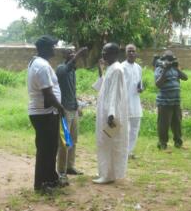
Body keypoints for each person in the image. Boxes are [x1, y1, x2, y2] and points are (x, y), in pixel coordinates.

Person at [27, 35, 65, 193]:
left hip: (45, 112)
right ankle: (41, 185)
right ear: (43, 49)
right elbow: (48, 94)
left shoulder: (37, 62)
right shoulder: (42, 66)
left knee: (51, 147)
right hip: (44, 113)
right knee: (45, 149)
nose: (54, 49)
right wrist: (60, 107)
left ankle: (51, 179)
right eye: (51, 46)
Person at [92, 43, 129, 184]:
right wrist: (100, 70)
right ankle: (105, 171)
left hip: (110, 114)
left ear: (114, 54)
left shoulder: (117, 70)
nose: (102, 54)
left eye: (105, 52)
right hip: (105, 112)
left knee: (109, 143)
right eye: (102, 51)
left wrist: (111, 114)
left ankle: (108, 175)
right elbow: (103, 87)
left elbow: (115, 94)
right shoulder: (111, 68)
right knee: (104, 142)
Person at [56, 47, 87, 180]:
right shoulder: (61, 69)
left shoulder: (72, 71)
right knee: (65, 142)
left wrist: (77, 105)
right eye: (69, 53)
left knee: (73, 140)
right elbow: (69, 66)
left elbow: (72, 91)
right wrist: (79, 55)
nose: (72, 54)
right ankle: (61, 171)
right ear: (63, 55)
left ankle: (70, 167)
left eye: (74, 52)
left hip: (73, 109)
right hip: (64, 111)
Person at [155, 50, 188, 150]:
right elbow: (158, 84)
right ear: (164, 60)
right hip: (164, 102)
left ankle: (178, 142)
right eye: (168, 60)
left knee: (177, 123)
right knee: (163, 124)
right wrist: (165, 70)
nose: (170, 61)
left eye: (171, 59)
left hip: (176, 101)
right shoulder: (159, 69)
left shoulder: (175, 69)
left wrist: (176, 68)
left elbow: (185, 77)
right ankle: (162, 143)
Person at [121, 44, 143, 159]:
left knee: (135, 128)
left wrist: (141, 89)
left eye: (133, 51)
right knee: (126, 129)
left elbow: (140, 84)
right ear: (125, 53)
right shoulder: (121, 67)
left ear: (136, 53)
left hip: (135, 102)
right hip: (124, 102)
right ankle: (123, 151)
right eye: (129, 51)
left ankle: (129, 151)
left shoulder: (138, 67)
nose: (131, 53)